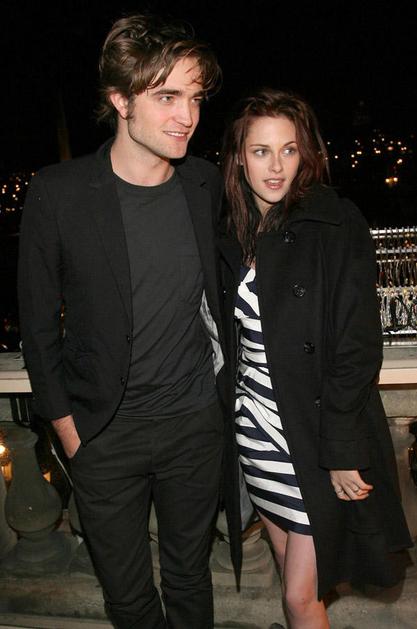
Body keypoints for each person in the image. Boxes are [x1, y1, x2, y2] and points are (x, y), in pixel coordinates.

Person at [18, 14, 225, 629]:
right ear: (120, 100)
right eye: (167, 97)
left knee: (191, 579)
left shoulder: (204, 184)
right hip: (104, 433)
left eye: (195, 98)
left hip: (194, 425)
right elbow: (37, 326)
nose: (187, 116)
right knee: (129, 598)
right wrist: (69, 432)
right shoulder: (59, 193)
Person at [218, 88, 412, 628]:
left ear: (306, 153)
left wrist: (342, 450)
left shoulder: (334, 223)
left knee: (300, 597)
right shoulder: (232, 231)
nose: (276, 166)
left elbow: (357, 345)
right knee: (294, 584)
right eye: (261, 151)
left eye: (289, 150)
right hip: (255, 431)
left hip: (310, 433)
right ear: (239, 158)